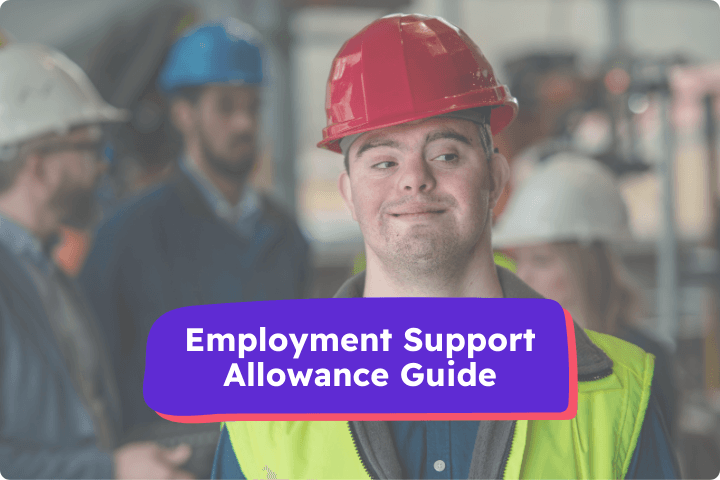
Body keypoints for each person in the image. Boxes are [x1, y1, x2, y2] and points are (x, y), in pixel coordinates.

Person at [212, 14, 679, 479]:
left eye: (445, 154)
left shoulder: (615, 393)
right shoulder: (261, 409)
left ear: (495, 180)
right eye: (383, 161)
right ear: (349, 195)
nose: (415, 178)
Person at [79, 17, 311, 475]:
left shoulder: (288, 237)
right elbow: (90, 383)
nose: (244, 122)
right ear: (183, 114)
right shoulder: (124, 235)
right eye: (225, 106)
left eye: (253, 106)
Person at [0, 43, 192, 479]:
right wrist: (109, 470)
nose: (102, 166)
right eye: (89, 148)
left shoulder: (50, 275)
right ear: (37, 168)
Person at [492, 153, 679, 441]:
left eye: (541, 260)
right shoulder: (515, 353)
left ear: (585, 268)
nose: (523, 276)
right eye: (520, 260)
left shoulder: (645, 360)